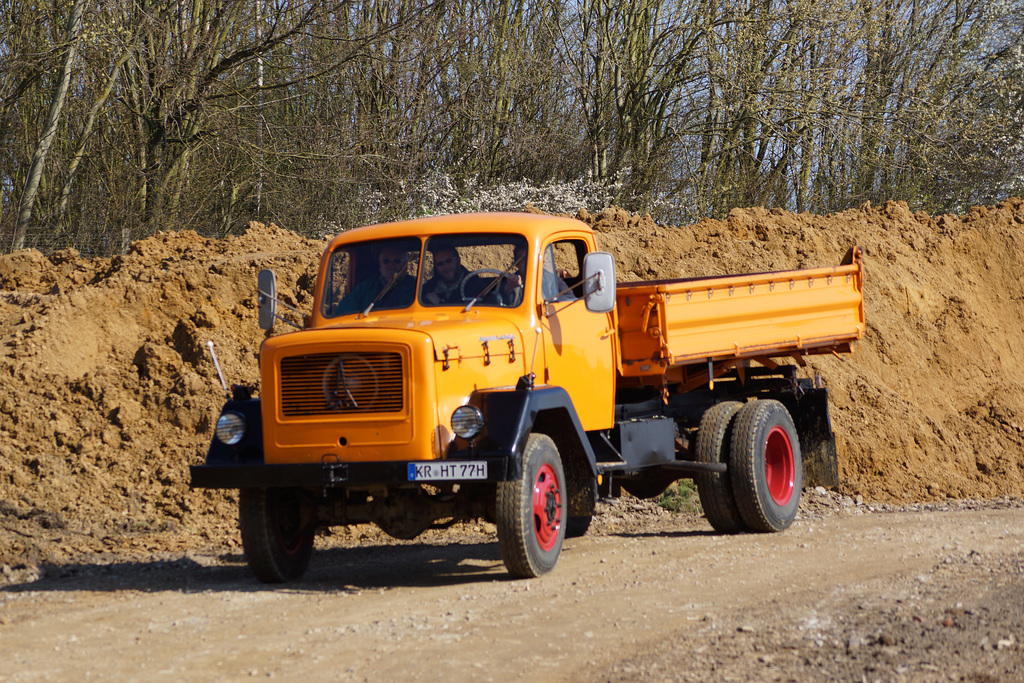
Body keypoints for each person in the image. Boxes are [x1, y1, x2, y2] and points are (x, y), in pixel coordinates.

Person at [335, 245, 416, 315]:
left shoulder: (416, 286)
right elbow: (343, 311)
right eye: (386, 261)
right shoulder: (365, 288)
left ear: (405, 265)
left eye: (397, 261)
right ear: (380, 264)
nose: (391, 265)